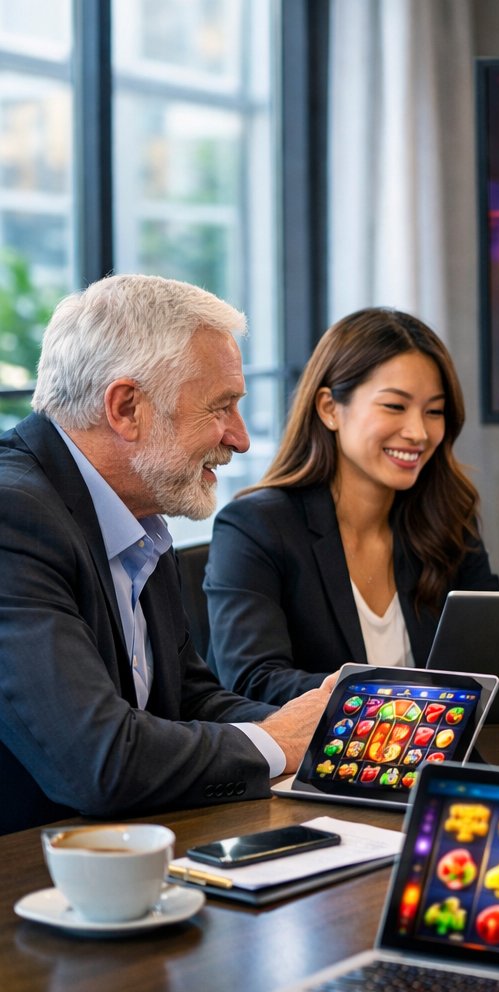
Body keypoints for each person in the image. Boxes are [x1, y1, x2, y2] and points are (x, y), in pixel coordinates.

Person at [0, 274, 334, 835]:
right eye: (221, 407)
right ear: (127, 407)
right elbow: (99, 761)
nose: (241, 438)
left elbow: (190, 700)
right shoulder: (13, 519)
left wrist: (327, 727)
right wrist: (280, 739)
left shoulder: (139, 514)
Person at [205, 309, 499, 704]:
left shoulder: (446, 519)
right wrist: (394, 701)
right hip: (316, 761)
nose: (418, 432)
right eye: (395, 407)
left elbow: (494, 660)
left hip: (437, 756)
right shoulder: (255, 527)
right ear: (329, 408)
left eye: (434, 411)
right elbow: (253, 680)